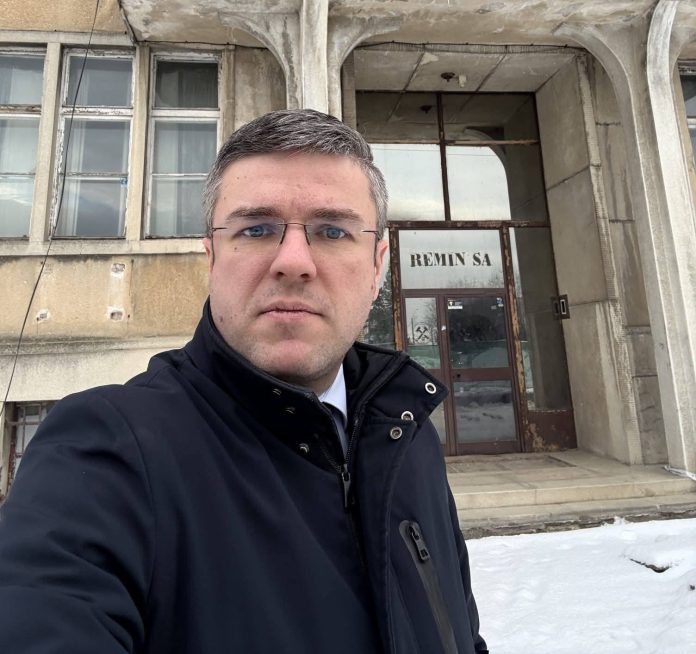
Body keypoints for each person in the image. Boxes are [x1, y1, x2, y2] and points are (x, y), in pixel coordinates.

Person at [0, 109, 487, 654]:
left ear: (377, 267)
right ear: (211, 257)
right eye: (256, 229)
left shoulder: (409, 439)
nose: (294, 261)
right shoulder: (109, 452)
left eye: (332, 231)